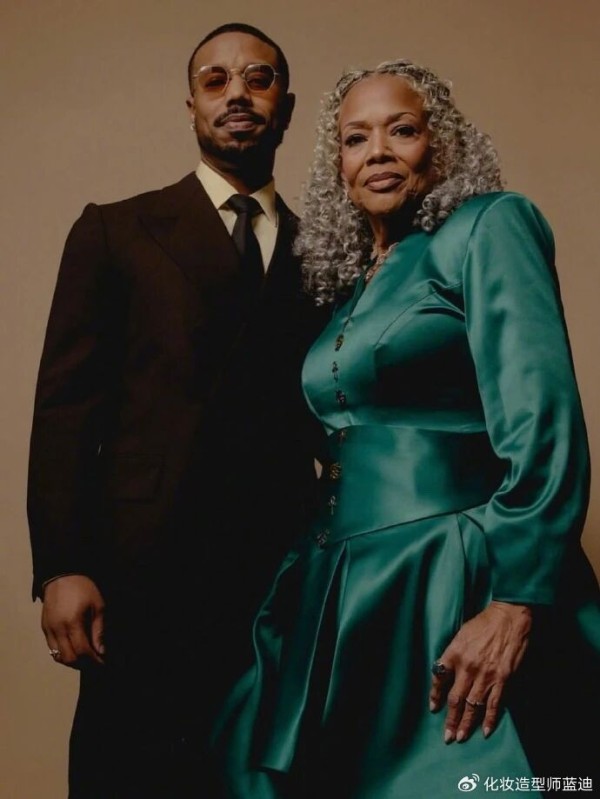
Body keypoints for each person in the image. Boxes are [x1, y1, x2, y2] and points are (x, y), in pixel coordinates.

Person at [210, 59, 600, 798]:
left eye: (403, 130)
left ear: (441, 144)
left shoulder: (487, 226)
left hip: (448, 575)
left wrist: (514, 599)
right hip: (339, 585)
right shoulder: (353, 285)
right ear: (339, 166)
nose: (378, 152)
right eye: (355, 139)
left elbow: (543, 417)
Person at [27, 22, 324, 799]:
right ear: (190, 105)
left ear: (287, 107)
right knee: (133, 773)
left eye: (258, 78)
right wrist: (61, 564)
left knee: (263, 775)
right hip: (142, 572)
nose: (237, 94)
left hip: (279, 570)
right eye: (215, 80)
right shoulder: (118, 229)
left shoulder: (326, 252)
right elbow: (66, 408)